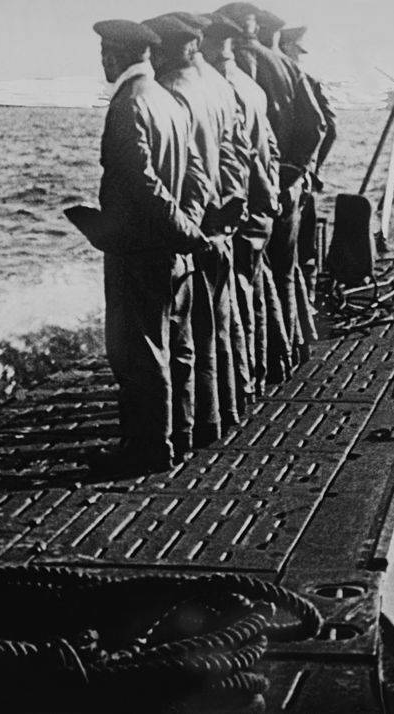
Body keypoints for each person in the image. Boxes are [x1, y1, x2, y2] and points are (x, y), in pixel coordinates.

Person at [81, 19, 224, 474]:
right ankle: (178, 436)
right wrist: (189, 227)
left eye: (105, 52)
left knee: (137, 352)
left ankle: (148, 449)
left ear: (120, 54)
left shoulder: (128, 104)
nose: (102, 60)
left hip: (140, 252)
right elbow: (199, 174)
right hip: (173, 252)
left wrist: (182, 231)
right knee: (178, 347)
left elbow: (142, 183)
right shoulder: (167, 98)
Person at [142, 14, 246, 448]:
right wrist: (229, 209)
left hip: (194, 224)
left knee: (189, 337)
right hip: (221, 219)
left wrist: (188, 224)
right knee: (219, 325)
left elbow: (191, 169)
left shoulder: (169, 92)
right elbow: (237, 151)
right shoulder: (222, 86)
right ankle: (228, 410)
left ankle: (195, 427)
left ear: (166, 49)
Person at [216, 3, 325, 370]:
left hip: (260, 184)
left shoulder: (242, 68)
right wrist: (296, 173)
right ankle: (295, 348)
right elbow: (318, 126)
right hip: (287, 181)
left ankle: (268, 364)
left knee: (256, 278)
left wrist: (272, 180)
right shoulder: (287, 65)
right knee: (286, 269)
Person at [198, 13, 287, 396]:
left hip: (241, 206)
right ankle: (269, 364)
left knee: (237, 298)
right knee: (256, 285)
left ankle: (246, 382)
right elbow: (269, 148)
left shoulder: (221, 89)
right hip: (260, 202)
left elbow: (236, 155)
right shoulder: (250, 87)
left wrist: (229, 209)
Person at [279, 25, 337, 292]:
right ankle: (308, 303)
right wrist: (313, 168)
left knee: (294, 248)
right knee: (304, 248)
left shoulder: (296, 81)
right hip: (302, 176)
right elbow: (329, 128)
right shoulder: (306, 80)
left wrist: (305, 166)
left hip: (290, 176)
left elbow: (326, 128)